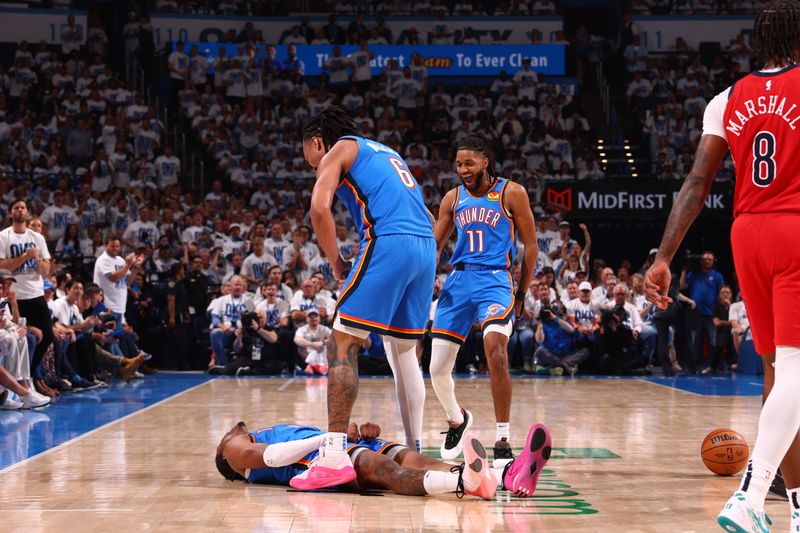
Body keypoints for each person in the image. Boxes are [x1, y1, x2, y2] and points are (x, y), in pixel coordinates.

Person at [644, 2, 800, 529]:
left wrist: (664, 257)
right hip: (796, 226)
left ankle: (797, 506)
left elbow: (697, 182)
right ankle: (751, 497)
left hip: (747, 233)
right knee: (796, 373)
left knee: (780, 374)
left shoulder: (726, 98)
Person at [302, 106, 436, 489]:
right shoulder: (386, 152)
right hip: (425, 247)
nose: (312, 163)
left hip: (389, 240)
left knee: (342, 341)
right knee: (403, 353)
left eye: (308, 154)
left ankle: (332, 452)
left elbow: (318, 208)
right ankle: (415, 447)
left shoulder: (339, 148)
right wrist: (422, 261)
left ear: (316, 141)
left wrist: (336, 261)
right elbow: (427, 219)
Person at [428, 134, 540, 466]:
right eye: (459, 164)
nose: (463, 169)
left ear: (484, 162)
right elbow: (434, 247)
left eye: (469, 163)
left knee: (496, 350)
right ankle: (456, 418)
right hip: (457, 281)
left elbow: (531, 247)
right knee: (436, 370)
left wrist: (521, 292)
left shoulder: (512, 192)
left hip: (494, 280)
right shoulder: (452, 198)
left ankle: (503, 438)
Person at [216, 419, 549, 500]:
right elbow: (273, 458)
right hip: (321, 460)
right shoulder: (234, 451)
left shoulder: (266, 431)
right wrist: (330, 438)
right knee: (389, 471)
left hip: (337, 445)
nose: (231, 430)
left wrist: (349, 428)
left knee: (417, 459)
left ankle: (504, 477)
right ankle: (465, 482)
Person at [0, 200, 54, 385]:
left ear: (27, 212)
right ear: (10, 213)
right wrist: (25, 257)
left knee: (47, 336)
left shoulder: (37, 238)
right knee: (19, 340)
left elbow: (46, 270)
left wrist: (37, 258)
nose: (20, 210)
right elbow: (1, 265)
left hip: (35, 295)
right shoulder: (4, 236)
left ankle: (27, 378)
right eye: (16, 208)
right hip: (13, 296)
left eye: (23, 207)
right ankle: (14, 382)